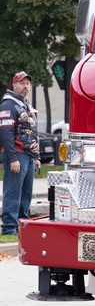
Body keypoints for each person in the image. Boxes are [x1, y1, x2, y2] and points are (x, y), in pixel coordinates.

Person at [1, 71, 40, 236]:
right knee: (13, 191)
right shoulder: (8, 105)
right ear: (14, 85)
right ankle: (9, 228)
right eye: (22, 83)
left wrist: (36, 157)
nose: (25, 86)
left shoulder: (25, 105)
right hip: (17, 155)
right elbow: (5, 134)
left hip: (28, 156)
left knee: (26, 193)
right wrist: (12, 159)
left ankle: (21, 226)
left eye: (27, 84)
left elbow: (32, 131)